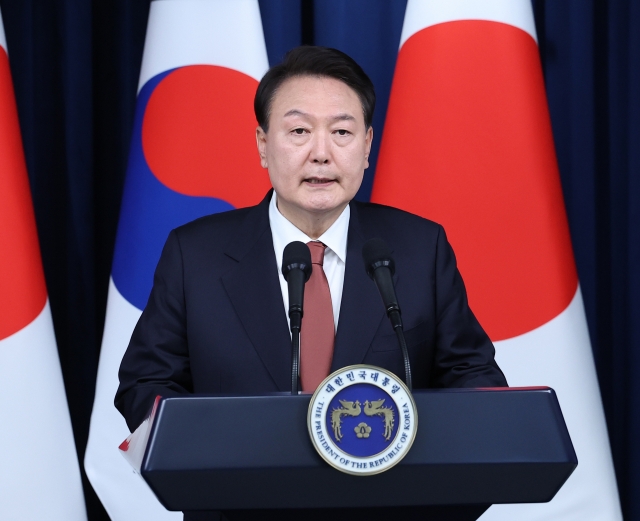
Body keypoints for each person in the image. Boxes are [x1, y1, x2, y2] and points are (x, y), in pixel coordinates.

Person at [116, 46, 507, 521]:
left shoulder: (418, 249)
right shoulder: (194, 254)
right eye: (299, 131)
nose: (321, 153)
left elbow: (475, 379)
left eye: (341, 132)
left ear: (366, 146)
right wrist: (206, 448)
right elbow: (146, 380)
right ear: (263, 144)